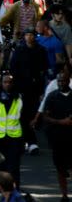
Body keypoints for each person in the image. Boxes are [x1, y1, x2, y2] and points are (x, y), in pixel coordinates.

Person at [41, 71, 72, 200]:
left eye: (63, 80)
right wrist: (60, 122)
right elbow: (45, 116)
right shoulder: (52, 96)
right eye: (59, 81)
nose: (61, 83)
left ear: (68, 81)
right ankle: (64, 195)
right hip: (57, 138)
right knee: (60, 168)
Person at [0, 75, 24, 189]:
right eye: (5, 82)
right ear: (1, 83)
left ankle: (15, 190)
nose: (7, 84)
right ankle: (1, 189)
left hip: (15, 137)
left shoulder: (19, 97)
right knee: (1, 165)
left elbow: (24, 118)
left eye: (10, 82)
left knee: (14, 167)